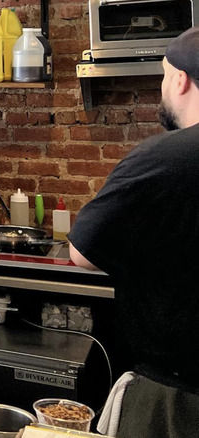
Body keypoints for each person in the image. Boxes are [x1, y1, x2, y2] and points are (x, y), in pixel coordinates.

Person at [69, 27, 199, 437]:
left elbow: (82, 254)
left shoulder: (166, 157)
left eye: (163, 75)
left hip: (176, 396)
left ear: (180, 79)